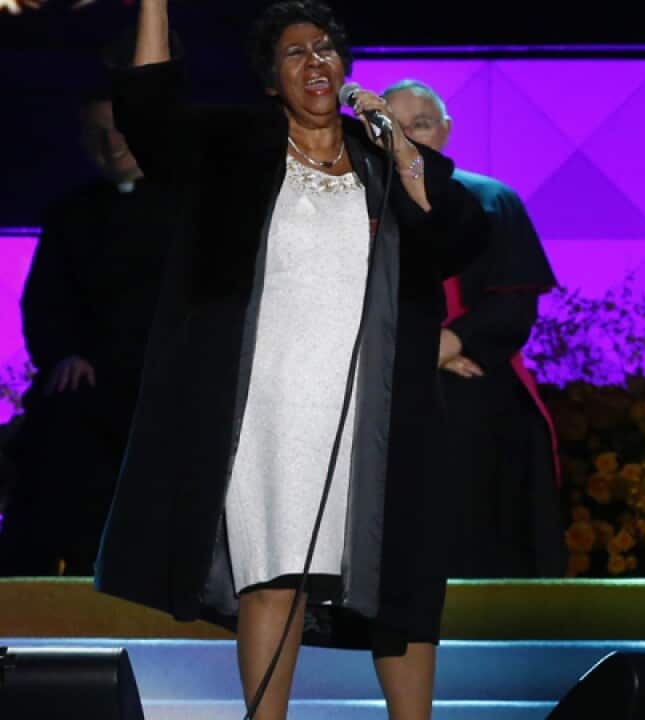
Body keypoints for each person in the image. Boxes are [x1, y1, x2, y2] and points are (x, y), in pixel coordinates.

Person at [93, 2, 486, 719]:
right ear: (271, 80)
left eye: (327, 49)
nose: (316, 61)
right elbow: (149, 116)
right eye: (296, 53)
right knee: (274, 575)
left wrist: (401, 149)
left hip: (374, 407)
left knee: (398, 576)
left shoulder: (382, 158)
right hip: (267, 405)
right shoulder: (237, 148)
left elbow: (460, 232)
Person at [382, 80, 564, 579]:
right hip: (379, 379)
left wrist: (444, 345)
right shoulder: (357, 205)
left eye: (419, 125)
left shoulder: (491, 200)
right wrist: (413, 351)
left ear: (445, 131)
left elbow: (513, 307)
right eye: (392, 127)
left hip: (470, 374)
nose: (408, 138)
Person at [0, 87, 171, 577]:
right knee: (55, 445)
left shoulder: (191, 208)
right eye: (97, 133)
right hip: (89, 382)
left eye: (120, 130)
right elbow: (44, 301)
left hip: (167, 385)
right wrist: (65, 353)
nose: (112, 143)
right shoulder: (69, 212)